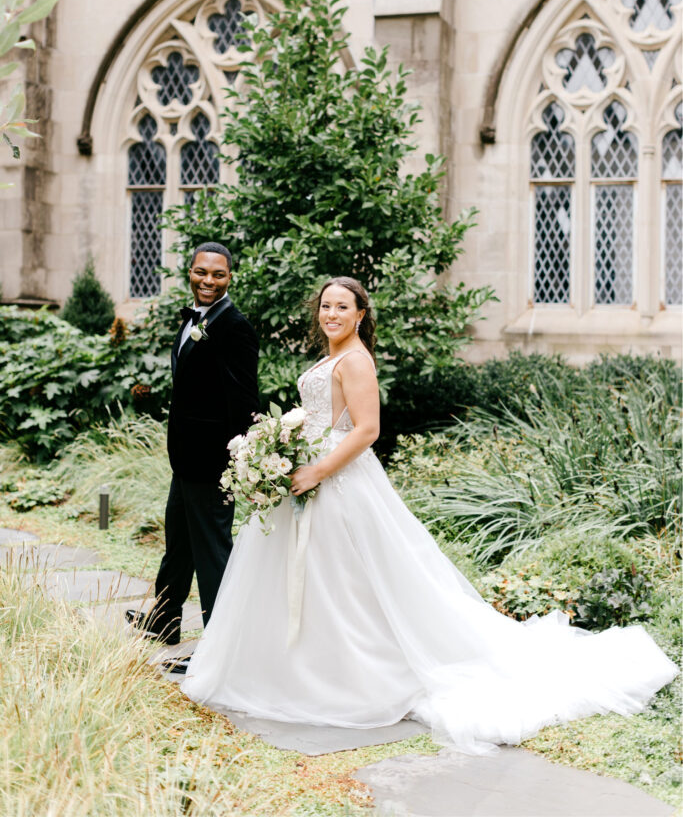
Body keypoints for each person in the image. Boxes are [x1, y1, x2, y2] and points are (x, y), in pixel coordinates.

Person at [181, 276, 676, 755]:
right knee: (319, 580)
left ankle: (354, 674)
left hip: (336, 480)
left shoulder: (355, 360)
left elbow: (367, 429)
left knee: (347, 582)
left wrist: (316, 472)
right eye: (326, 306)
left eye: (342, 308)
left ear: (360, 315)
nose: (331, 314)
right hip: (308, 472)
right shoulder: (332, 357)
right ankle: (303, 669)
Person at [126, 242, 259, 653]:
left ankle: (223, 646)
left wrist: (233, 462)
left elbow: (244, 402)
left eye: (218, 275)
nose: (208, 281)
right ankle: (164, 621)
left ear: (229, 277)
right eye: (201, 272)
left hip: (212, 463)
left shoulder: (235, 328)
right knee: (179, 545)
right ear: (190, 272)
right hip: (184, 458)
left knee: (212, 553)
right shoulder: (193, 320)